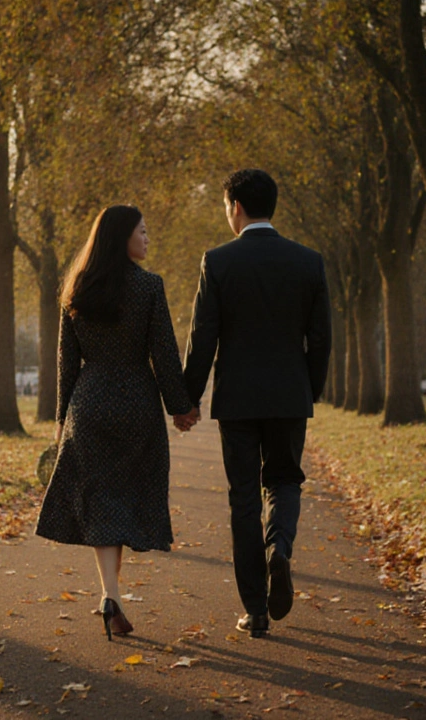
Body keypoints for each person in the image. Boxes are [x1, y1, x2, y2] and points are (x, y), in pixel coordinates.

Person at [178, 169, 331, 638]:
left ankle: (255, 609)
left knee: (243, 499)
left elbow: (204, 336)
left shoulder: (219, 262)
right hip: (289, 394)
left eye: (227, 207)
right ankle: (279, 547)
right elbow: (320, 338)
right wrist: (311, 389)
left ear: (236, 207)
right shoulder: (309, 262)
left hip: (238, 400)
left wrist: (187, 397)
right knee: (285, 480)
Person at [34, 205, 194, 642]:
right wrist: (181, 406)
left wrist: (61, 421)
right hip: (137, 404)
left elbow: (66, 365)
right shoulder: (148, 287)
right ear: (122, 236)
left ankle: (111, 595)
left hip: (90, 405)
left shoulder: (77, 289)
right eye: (142, 232)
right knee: (124, 498)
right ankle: (111, 597)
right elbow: (163, 354)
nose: (147, 238)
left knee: (103, 501)